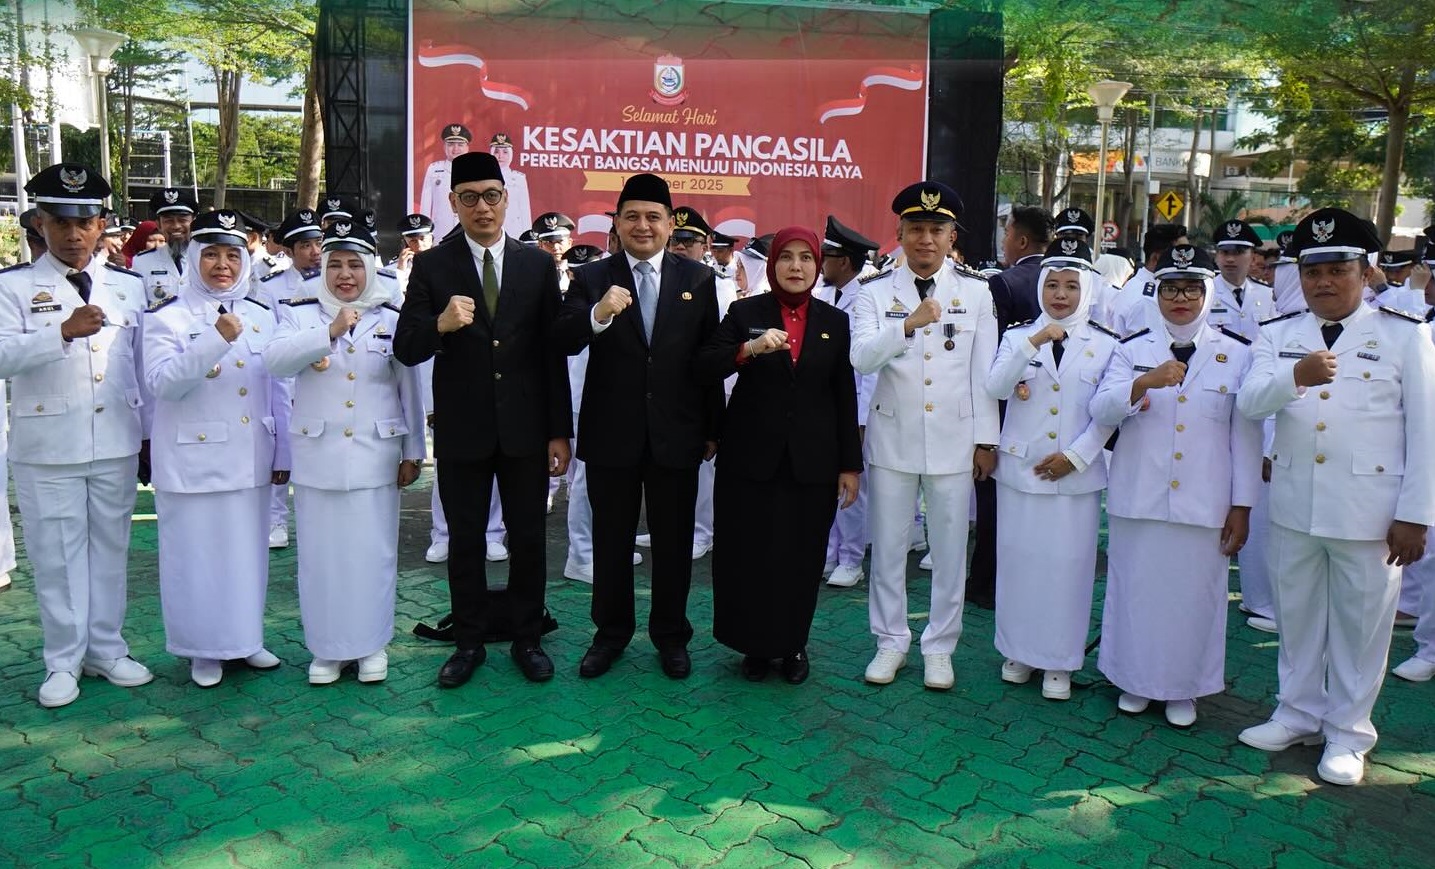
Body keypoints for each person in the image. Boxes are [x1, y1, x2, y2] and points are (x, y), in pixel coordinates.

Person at [1235, 207, 1435, 786]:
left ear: (1366, 271)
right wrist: (1293, 376)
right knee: (1297, 618)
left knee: (1361, 627)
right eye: (1312, 269)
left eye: (1338, 269)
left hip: (1370, 513)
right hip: (1297, 502)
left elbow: (1425, 431)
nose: (1323, 281)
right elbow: (1249, 404)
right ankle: (1296, 712)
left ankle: (1349, 734)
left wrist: (1415, 515)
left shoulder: (1403, 334)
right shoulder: (1279, 335)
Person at [395, 151, 572, 687]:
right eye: (468, 198)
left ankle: (527, 638)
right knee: (465, 539)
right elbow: (405, 348)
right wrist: (441, 325)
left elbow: (551, 355)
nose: (482, 207)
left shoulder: (537, 264)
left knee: (528, 538)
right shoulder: (432, 266)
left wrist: (558, 430)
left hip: (524, 429)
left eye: (491, 196)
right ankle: (468, 641)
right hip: (463, 430)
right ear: (453, 204)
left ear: (505, 199)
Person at [553, 172, 722, 680]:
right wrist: (599, 316)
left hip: (677, 433)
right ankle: (611, 634)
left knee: (673, 542)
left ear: (671, 225)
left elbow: (708, 359)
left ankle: (671, 636)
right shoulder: (590, 278)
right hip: (612, 434)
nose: (643, 226)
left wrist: (713, 427)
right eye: (632, 217)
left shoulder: (698, 279)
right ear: (617, 225)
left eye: (653, 217)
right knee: (611, 540)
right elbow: (562, 337)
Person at [0, 163, 153, 707]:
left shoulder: (129, 287)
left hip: (114, 437)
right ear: (38, 223)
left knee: (110, 550)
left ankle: (107, 650)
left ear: (102, 224)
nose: (72, 234)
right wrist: (59, 331)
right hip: (48, 446)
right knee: (58, 556)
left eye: (84, 222)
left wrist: (149, 438)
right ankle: (62, 660)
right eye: (59, 222)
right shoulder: (14, 286)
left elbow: (142, 366)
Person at [1092, 243, 1262, 727]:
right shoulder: (1131, 350)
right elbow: (1101, 411)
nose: (1181, 297)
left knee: (1196, 597)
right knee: (1135, 592)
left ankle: (1185, 687)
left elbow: (1245, 437)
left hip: (1204, 500)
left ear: (1207, 293)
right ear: (1156, 293)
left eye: (1191, 287)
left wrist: (1243, 504)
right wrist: (1144, 383)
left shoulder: (1237, 354)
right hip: (1139, 495)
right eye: (1170, 288)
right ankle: (1132, 679)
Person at [850, 180, 1000, 691]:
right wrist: (908, 326)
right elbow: (862, 357)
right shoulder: (873, 292)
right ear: (899, 232)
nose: (926, 239)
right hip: (893, 437)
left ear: (952, 235)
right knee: (888, 548)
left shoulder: (977, 292)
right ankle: (890, 641)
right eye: (916, 228)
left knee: (950, 550)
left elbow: (985, 373)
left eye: (937, 229)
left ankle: (940, 645)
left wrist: (987, 440)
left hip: (955, 439)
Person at [695, 226, 861, 683]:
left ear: (816, 265)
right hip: (749, 458)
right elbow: (705, 364)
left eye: (805, 258)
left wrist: (850, 464)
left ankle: (792, 645)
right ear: (772, 266)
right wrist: (748, 349)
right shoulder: (745, 310)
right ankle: (754, 646)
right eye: (786, 257)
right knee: (749, 553)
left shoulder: (833, 321)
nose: (795, 266)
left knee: (801, 555)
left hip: (813, 462)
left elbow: (844, 395)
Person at [264, 220, 425, 684]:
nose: (345, 274)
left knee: (373, 555)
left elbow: (408, 387)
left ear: (371, 269)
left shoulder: (391, 317)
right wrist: (328, 332)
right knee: (321, 558)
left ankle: (372, 646)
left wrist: (413, 450)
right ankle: (327, 650)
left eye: (356, 264)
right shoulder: (300, 313)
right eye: (336, 264)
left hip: (377, 453)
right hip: (319, 456)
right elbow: (274, 362)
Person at [143, 209, 290, 688]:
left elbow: (278, 389)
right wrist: (213, 340)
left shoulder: (262, 314)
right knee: (197, 559)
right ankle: (202, 650)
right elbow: (163, 384)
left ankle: (245, 640)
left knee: (248, 556)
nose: (222, 265)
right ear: (192, 258)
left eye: (232, 254)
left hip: (250, 455)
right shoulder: (168, 316)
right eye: (210, 254)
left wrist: (283, 452)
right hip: (193, 461)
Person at [985, 239, 1118, 701]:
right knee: (1019, 563)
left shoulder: (1105, 345)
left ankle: (1060, 661)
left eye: (1071, 286)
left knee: (1069, 569)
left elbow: (1108, 413)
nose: (1060, 295)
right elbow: (997, 386)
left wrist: (1075, 458)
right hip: (1021, 469)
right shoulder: (1017, 336)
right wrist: (1033, 342)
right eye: (1053, 285)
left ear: (1088, 291)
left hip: (1075, 476)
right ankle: (1018, 651)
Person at [815, 215, 880, 588]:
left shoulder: (869, 297)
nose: (821, 265)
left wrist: (860, 418)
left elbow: (870, 365)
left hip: (856, 407)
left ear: (843, 261)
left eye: (826, 257)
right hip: (827, 405)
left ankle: (852, 558)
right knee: (828, 482)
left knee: (855, 484)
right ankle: (829, 552)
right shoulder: (826, 295)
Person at [1108, 224, 1188, 336]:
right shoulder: (1148, 300)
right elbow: (1149, 348)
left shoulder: (1143, 286)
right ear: (1156, 258)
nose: (1188, 259)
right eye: (1180, 255)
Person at [1207, 219, 1272, 342]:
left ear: (1253, 257)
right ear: (1217, 256)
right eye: (1225, 252)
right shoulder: (1205, 293)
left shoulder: (1266, 295)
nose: (1230, 259)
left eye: (1238, 252)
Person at [132, 187, 199, 303]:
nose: (176, 226)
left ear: (194, 222)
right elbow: (139, 306)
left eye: (182, 220)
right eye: (168, 221)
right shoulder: (142, 262)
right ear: (158, 225)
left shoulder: (206, 258)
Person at [419, 124, 471, 240]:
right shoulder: (434, 169)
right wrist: (425, 233)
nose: (455, 149)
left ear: (467, 147)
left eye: (460, 145)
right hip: (441, 230)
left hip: (468, 229)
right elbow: (426, 205)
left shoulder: (475, 170)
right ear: (444, 147)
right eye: (451, 144)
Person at [489, 132, 532, 239]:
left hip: (514, 231)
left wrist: (528, 237)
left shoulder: (518, 178)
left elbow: (524, 211)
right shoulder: (483, 178)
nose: (500, 156)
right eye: (496, 152)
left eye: (505, 152)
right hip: (490, 229)